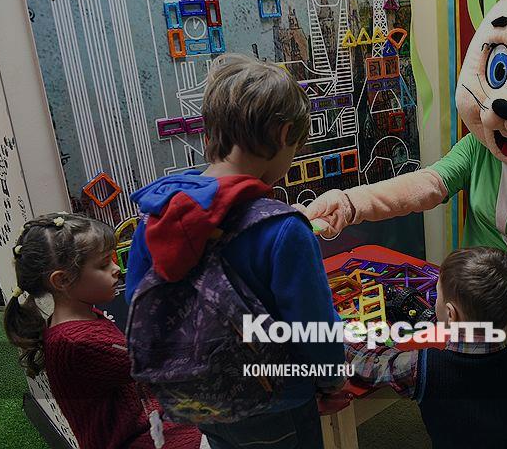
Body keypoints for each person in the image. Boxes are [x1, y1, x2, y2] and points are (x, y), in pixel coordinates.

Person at [126, 54, 344, 449]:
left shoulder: (157, 213)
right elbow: (315, 329)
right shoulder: (283, 230)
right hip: (277, 402)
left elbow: (138, 302)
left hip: (197, 397)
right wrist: (330, 380)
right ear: (283, 134)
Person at [344, 246, 507, 448]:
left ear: (450, 314)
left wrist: (342, 334)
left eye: (437, 295)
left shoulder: (421, 367)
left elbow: (368, 364)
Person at [3, 213, 202, 448]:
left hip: (147, 424)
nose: (116, 269)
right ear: (62, 280)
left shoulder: (80, 320)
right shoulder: (77, 342)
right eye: (103, 264)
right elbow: (158, 363)